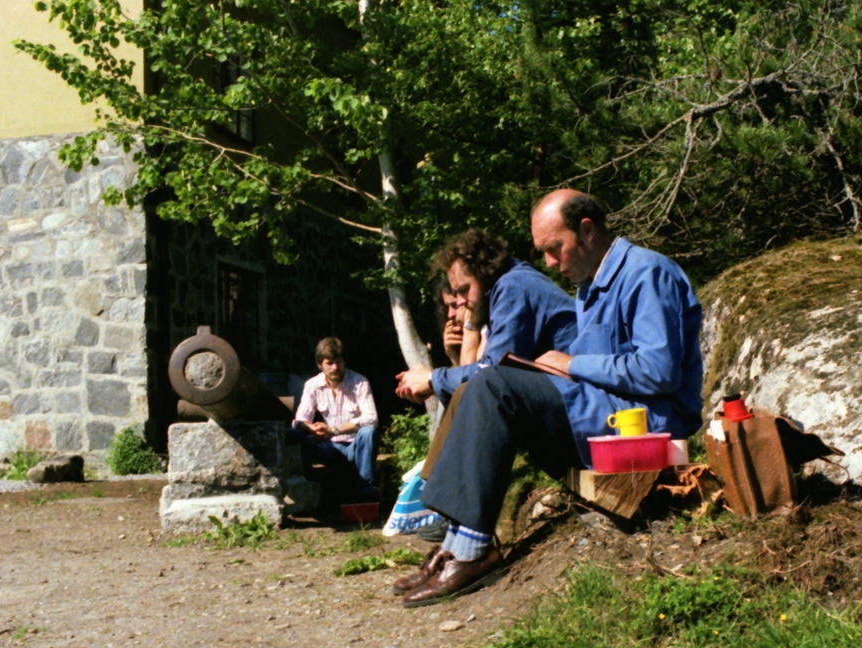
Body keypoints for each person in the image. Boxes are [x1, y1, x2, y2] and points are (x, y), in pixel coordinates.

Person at [393, 190, 704, 606]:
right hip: (604, 414)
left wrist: (572, 365)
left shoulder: (646, 273)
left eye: (555, 249)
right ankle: (457, 540)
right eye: (543, 252)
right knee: (485, 384)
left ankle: (473, 550)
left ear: (588, 230)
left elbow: (658, 371)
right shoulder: (589, 288)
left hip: (645, 423)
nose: (550, 264)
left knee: (491, 383)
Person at [396, 228, 576, 406]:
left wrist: (431, 378)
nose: (460, 302)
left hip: (575, 400)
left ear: (486, 272)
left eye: (464, 290)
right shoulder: (512, 284)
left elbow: (492, 373)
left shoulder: (513, 286)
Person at [291, 337, 380, 498]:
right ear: (320, 364)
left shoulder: (359, 382)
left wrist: (334, 430)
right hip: (327, 447)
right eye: (329, 363)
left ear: (344, 362)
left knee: (368, 432)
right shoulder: (312, 385)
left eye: (338, 362)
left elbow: (371, 418)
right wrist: (314, 429)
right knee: (294, 433)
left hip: (354, 446)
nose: (335, 367)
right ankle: (308, 491)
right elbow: (299, 420)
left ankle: (367, 494)